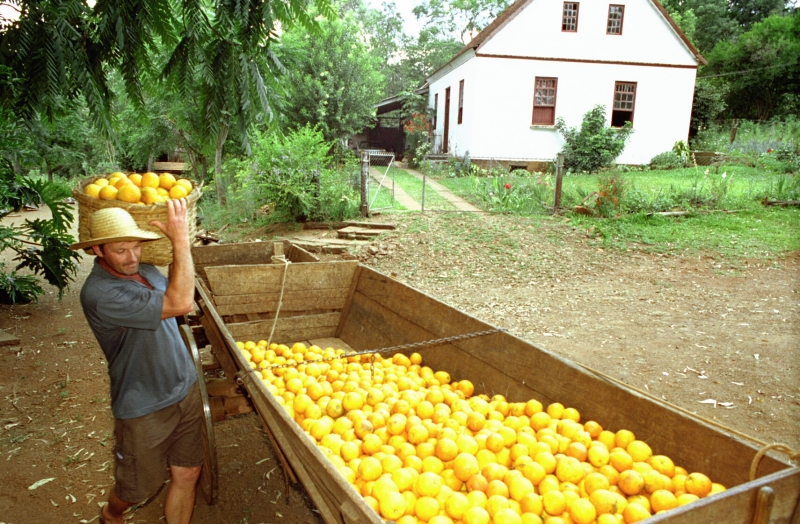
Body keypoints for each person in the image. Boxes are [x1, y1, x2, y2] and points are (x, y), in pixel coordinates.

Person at [70, 199, 202, 524]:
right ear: (97, 251)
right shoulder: (100, 294)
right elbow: (181, 301)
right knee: (135, 488)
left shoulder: (143, 269)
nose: (132, 258)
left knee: (187, 473)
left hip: (185, 386)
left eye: (136, 247)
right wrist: (181, 239)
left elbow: (176, 285)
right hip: (144, 403)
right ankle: (111, 515)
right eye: (120, 250)